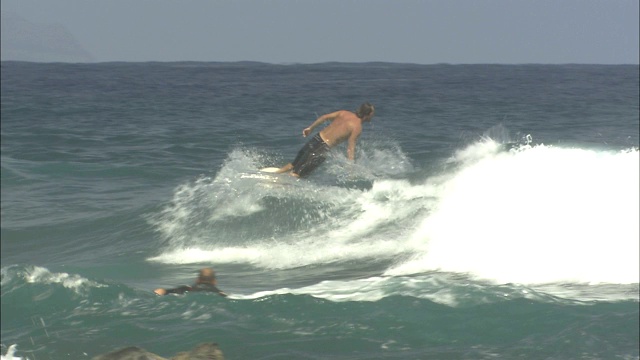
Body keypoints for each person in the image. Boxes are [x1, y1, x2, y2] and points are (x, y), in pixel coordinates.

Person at [275, 102, 375, 177]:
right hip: (323, 148)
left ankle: (275, 174)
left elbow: (324, 117)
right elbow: (350, 147)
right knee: (299, 174)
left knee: (294, 164)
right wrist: (351, 167)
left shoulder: (343, 113)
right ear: (367, 114)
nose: (373, 116)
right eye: (372, 114)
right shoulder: (357, 127)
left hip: (317, 138)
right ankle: (280, 186)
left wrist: (310, 128)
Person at [154, 267, 227, 297]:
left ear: (197, 280)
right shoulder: (220, 293)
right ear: (214, 281)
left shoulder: (187, 288)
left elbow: (159, 291)